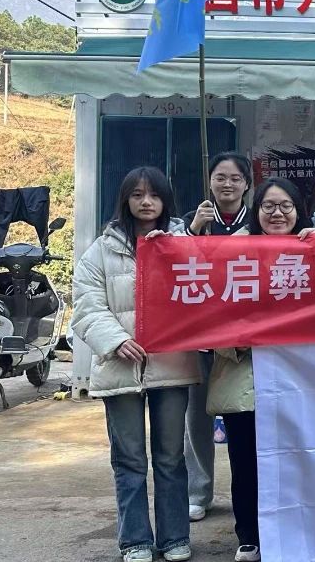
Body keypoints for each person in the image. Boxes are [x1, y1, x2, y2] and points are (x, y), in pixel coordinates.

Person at [72, 167, 198, 562]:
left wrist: (174, 252)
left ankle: (175, 537)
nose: (146, 202)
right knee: (128, 459)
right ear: (125, 200)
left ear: (166, 201)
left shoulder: (184, 244)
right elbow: (86, 305)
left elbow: (203, 292)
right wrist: (116, 340)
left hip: (171, 367)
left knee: (170, 457)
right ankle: (135, 540)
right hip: (120, 368)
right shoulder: (101, 250)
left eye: (154, 195)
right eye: (138, 194)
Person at [211, 177, 315, 562]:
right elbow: (207, 316)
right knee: (246, 461)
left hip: (301, 381)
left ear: (298, 211)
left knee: (300, 460)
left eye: (286, 206)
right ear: (256, 212)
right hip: (246, 377)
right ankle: (250, 535)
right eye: (268, 206)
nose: (277, 213)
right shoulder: (231, 255)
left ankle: (298, 532)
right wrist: (238, 342)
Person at [180, 152, 253, 523]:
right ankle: (198, 491)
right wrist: (194, 231)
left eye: (236, 178)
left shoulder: (257, 223)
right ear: (209, 181)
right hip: (202, 336)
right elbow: (174, 264)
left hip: (243, 343)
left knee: (246, 424)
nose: (228, 184)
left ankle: (251, 495)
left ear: (247, 184)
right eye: (220, 177)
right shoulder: (193, 222)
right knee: (196, 419)